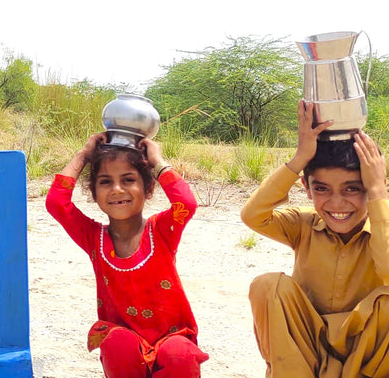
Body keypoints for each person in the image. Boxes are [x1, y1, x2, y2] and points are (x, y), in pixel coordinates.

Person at [242, 100, 389, 377]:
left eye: (352, 189)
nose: (337, 203)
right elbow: (253, 215)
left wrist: (378, 192)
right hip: (306, 352)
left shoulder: (383, 228)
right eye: (321, 188)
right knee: (269, 285)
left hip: (366, 359)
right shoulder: (303, 224)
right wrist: (299, 159)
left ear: (371, 186)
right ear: (307, 189)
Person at [45, 132, 209, 378]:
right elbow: (57, 203)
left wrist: (157, 161)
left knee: (179, 354)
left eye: (129, 179)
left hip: (172, 337)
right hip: (126, 340)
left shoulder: (161, 231)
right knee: (117, 344)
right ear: (94, 192)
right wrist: (83, 155)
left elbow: (186, 203)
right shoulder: (93, 238)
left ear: (148, 188)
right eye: (105, 182)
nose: (117, 189)